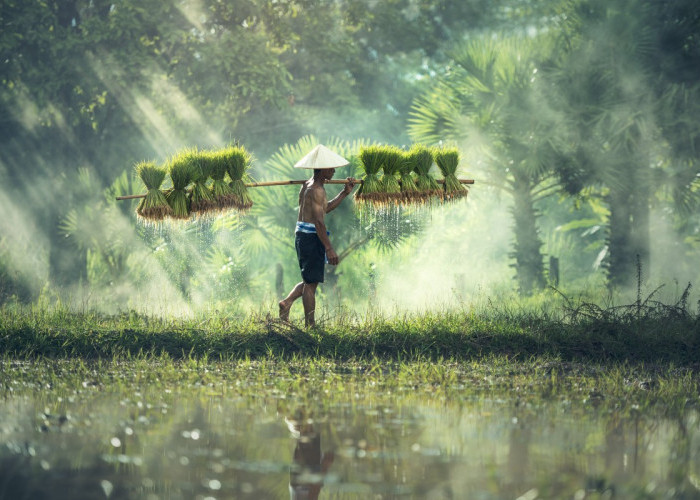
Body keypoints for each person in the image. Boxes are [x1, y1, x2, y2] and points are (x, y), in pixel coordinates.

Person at [278, 144, 356, 328]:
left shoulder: (308, 185)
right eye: (331, 168)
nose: (334, 170)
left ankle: (286, 303)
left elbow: (325, 208)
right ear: (322, 170)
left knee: (309, 280)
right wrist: (329, 248)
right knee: (311, 285)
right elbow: (319, 222)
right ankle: (310, 325)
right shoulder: (317, 190)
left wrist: (344, 193)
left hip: (303, 235)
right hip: (310, 237)